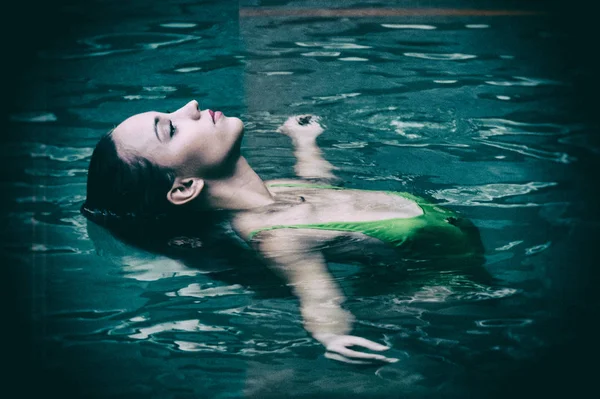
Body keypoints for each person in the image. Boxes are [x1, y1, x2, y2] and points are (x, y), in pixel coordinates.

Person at [82, 99, 486, 365]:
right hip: (449, 287)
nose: (189, 106)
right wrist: (333, 338)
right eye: (169, 129)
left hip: (449, 253)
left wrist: (306, 143)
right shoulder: (276, 237)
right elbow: (317, 295)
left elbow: (322, 185)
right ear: (184, 188)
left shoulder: (278, 190)